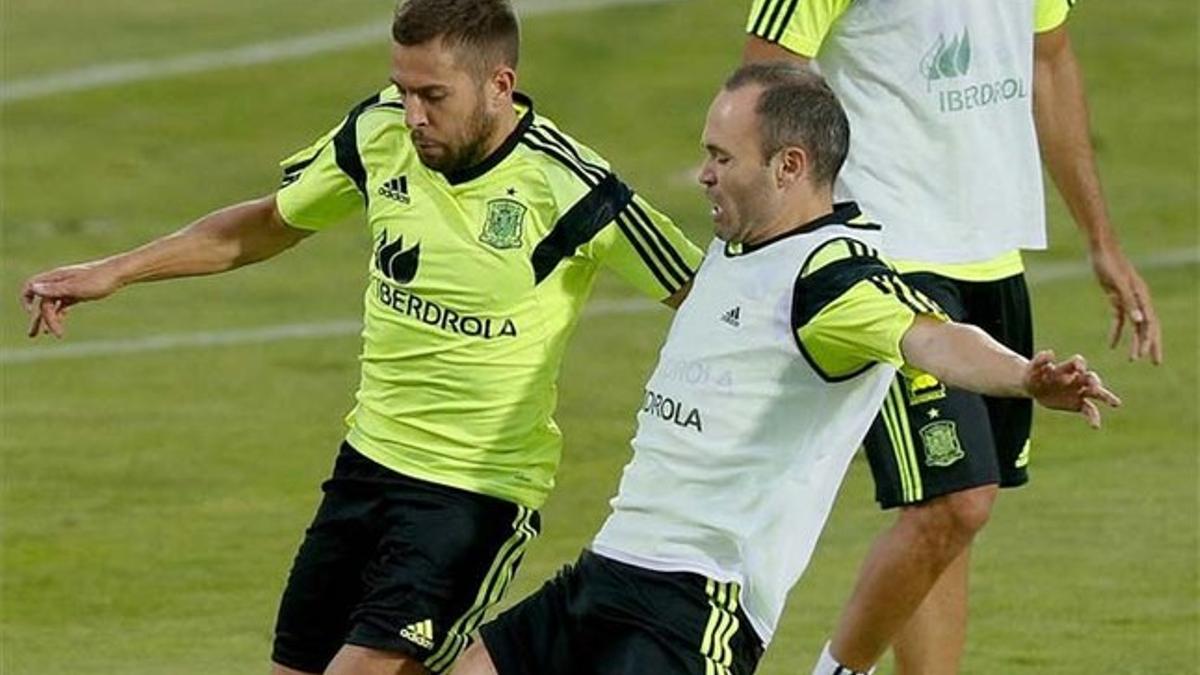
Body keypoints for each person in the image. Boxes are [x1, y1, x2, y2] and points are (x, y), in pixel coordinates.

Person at [19, 1, 703, 673]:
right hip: (364, 468)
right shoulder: (378, 133)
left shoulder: (572, 186)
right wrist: (115, 270)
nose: (412, 116)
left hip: (473, 495)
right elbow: (268, 223)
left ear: (499, 84)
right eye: (403, 90)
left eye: (433, 95)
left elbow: (704, 295)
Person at [448, 62, 1120, 675]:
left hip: (696, 605)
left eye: (721, 156)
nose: (704, 173)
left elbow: (931, 340)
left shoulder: (835, 280)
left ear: (788, 166)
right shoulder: (739, 245)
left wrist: (1026, 377)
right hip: (605, 571)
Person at [741, 1, 1163, 672]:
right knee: (954, 501)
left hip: (993, 252)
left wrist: (1101, 240)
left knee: (960, 508)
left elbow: (1049, 62)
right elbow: (764, 79)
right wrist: (786, 239)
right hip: (887, 250)